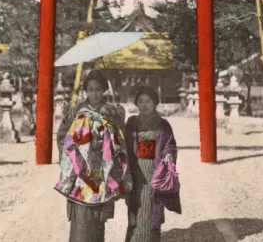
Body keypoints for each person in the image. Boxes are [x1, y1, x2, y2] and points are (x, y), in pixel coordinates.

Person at [56, 69, 131, 242]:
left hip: (103, 170)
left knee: (98, 219)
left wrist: (114, 122)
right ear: (86, 90)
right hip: (80, 170)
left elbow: (121, 138)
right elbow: (62, 136)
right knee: (81, 218)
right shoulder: (76, 111)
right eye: (90, 89)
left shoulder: (112, 111)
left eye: (98, 89)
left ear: (104, 89)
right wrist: (73, 153)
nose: (94, 93)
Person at [124, 85, 181, 242]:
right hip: (136, 175)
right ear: (136, 103)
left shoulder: (163, 125)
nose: (144, 104)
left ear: (155, 102)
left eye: (147, 101)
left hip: (155, 175)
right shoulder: (131, 123)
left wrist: (169, 154)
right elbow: (122, 145)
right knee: (135, 213)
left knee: (152, 214)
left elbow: (170, 144)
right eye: (140, 101)